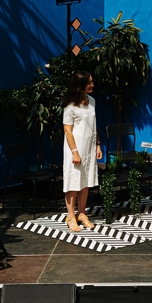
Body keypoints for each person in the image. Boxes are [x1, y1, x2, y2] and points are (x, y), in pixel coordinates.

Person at [62, 71, 102, 232]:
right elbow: (67, 131)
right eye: (89, 83)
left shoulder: (92, 101)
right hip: (75, 149)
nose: (92, 85)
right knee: (73, 182)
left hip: (89, 147)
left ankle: (82, 213)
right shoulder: (70, 106)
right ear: (80, 85)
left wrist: (98, 144)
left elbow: (94, 124)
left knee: (85, 182)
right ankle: (70, 216)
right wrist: (75, 152)